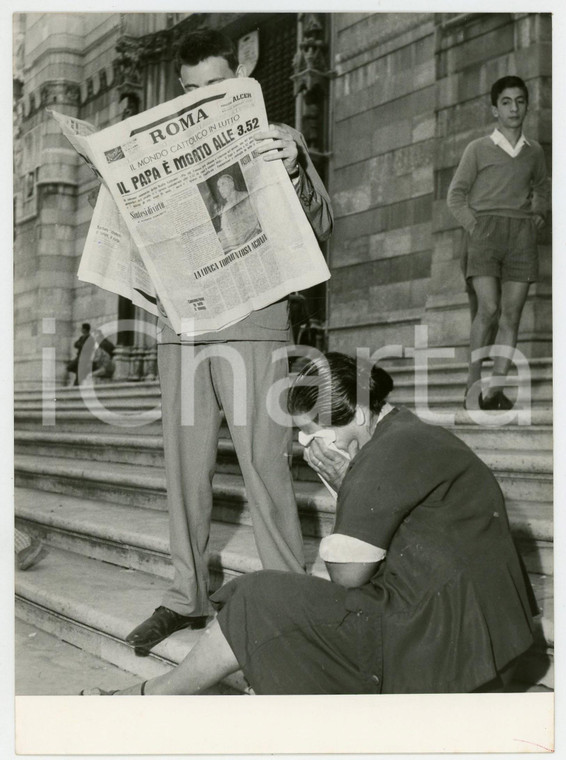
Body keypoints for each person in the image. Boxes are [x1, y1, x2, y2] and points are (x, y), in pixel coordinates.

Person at [82, 352, 537, 695]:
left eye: (314, 432)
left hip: (443, 648)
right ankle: (157, 694)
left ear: (358, 416)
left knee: (258, 596)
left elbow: (349, 575)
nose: (305, 444)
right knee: (263, 601)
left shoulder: (384, 458)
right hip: (478, 636)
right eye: (299, 433)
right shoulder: (405, 432)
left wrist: (346, 482)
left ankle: (150, 697)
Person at [125, 28, 333, 656]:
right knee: (182, 468)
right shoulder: (157, 146)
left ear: (240, 78)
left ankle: (289, 597)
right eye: (190, 90)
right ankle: (188, 596)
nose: (201, 99)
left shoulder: (281, 141)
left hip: (253, 319)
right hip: (181, 325)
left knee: (265, 465)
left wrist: (294, 172)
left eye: (215, 87)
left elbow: (321, 227)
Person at [447, 76, 550, 410]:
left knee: (511, 316)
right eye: (506, 102)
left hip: (521, 236)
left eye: (520, 101)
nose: (514, 108)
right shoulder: (477, 148)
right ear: (495, 109)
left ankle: (496, 391)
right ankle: (472, 387)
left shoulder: (534, 151)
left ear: (526, 106)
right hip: (485, 233)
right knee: (488, 309)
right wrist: (475, 227)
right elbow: (456, 195)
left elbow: (543, 187)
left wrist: (540, 215)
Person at [214, 173, 261, 252]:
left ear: (232, 184)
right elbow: (225, 230)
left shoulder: (245, 196)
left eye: (223, 184)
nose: (220, 189)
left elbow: (256, 221)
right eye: (219, 186)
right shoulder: (225, 209)